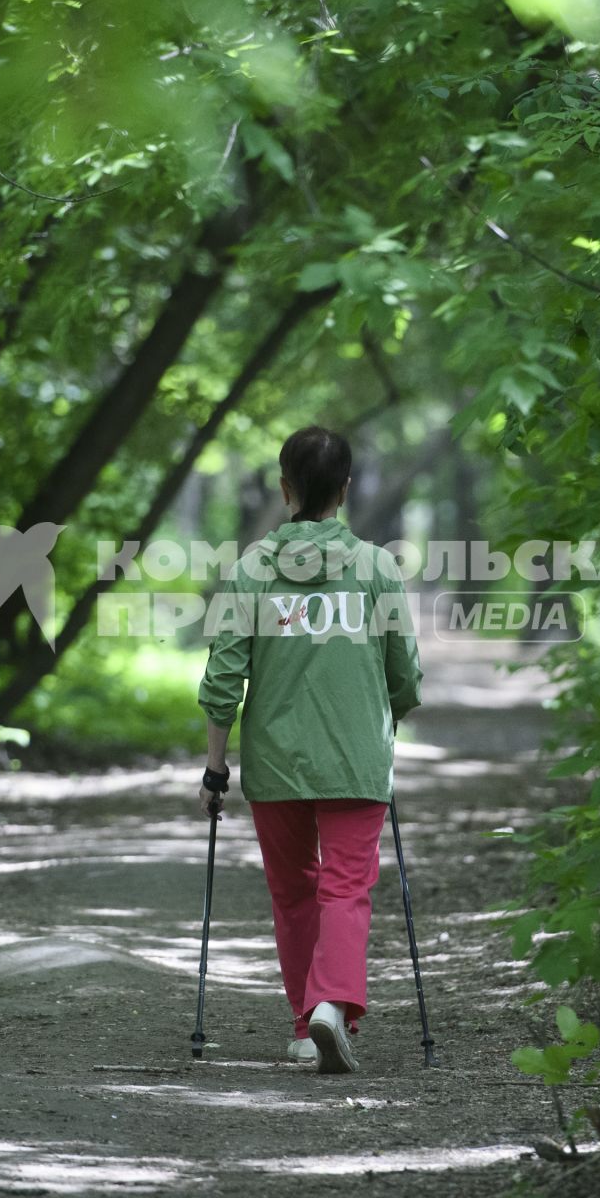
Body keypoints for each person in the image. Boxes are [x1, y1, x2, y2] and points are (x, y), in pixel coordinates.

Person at [195, 425, 423, 1074]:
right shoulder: (377, 569)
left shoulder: (252, 572)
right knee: (346, 889)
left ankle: (305, 1026)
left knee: (294, 892)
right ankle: (334, 1004)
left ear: (285, 488)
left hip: (277, 762)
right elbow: (402, 670)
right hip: (355, 758)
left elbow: (223, 680)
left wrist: (216, 766)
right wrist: (390, 717)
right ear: (345, 491)